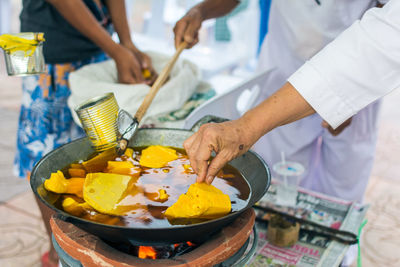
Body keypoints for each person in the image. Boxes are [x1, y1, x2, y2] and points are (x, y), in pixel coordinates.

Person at [174, 0, 387, 203]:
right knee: (278, 184)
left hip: (356, 74)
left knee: (342, 186)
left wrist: (346, 93)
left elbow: (385, 26)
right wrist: (200, 11)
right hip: (283, 74)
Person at [16, 1, 156, 266]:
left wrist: (125, 44)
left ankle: (94, 245)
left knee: (100, 149)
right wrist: (116, 48)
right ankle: (58, 250)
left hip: (97, 42)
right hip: (46, 47)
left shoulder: (106, 46)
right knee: (45, 154)